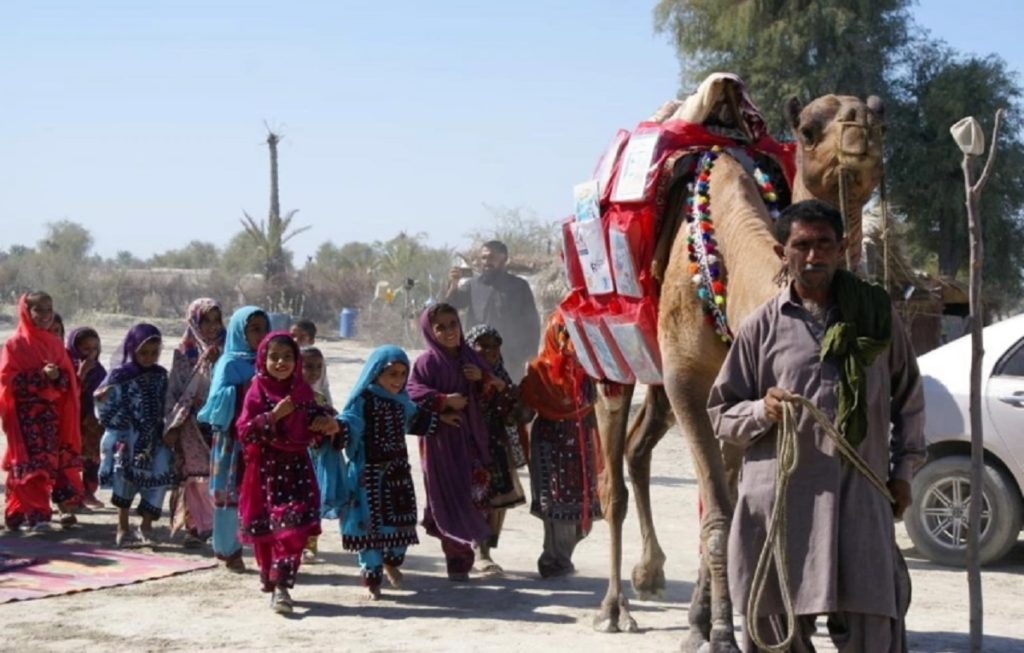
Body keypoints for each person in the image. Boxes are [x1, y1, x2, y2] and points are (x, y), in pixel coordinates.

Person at [706, 199, 925, 653]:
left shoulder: (876, 318)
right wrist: (761, 410)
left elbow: (910, 404)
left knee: (873, 630)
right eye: (801, 245)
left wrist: (904, 473)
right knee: (773, 633)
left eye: (824, 244)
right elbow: (721, 413)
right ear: (781, 252)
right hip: (781, 506)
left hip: (860, 497)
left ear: (841, 248)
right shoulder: (760, 328)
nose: (813, 256)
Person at [236, 331, 338, 613]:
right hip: (265, 472)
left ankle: (281, 585)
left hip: (297, 470)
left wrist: (326, 423)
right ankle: (270, 577)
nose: (281, 362)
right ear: (263, 359)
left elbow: (316, 421)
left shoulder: (302, 392)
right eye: (274, 357)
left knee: (293, 529)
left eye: (287, 357)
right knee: (269, 532)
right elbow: (244, 431)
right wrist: (274, 416)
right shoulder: (256, 390)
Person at [338, 345, 451, 599]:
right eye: (392, 374)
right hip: (368, 477)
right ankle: (372, 578)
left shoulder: (402, 402)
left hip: (398, 475)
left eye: (402, 374)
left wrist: (442, 421)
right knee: (369, 530)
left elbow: (417, 420)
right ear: (376, 372)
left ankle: (391, 562)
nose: (398, 380)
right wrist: (337, 430)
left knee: (401, 526)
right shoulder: (363, 401)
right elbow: (349, 423)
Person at [406, 303, 500, 581]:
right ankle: (457, 561)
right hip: (440, 443)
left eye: (453, 324)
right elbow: (411, 394)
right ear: (429, 331)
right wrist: (443, 402)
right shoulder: (426, 363)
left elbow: (492, 395)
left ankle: (471, 555)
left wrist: (481, 379)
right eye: (440, 327)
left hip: (471, 440)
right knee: (447, 494)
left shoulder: (471, 358)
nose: (449, 331)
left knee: (474, 496)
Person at [520, 312, 602, 578]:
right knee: (555, 507)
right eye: (563, 333)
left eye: (574, 333)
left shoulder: (590, 370)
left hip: (581, 443)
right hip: (550, 446)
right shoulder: (538, 371)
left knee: (582, 515)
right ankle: (554, 559)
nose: (569, 341)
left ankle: (558, 557)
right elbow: (524, 411)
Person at [0, 292, 83, 531]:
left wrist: (57, 377)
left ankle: (17, 510)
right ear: (27, 312)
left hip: (51, 417)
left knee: (46, 462)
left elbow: (67, 382)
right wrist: (39, 376)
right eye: (39, 310)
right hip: (24, 417)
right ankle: (39, 514)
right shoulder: (14, 345)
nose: (46, 315)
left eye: (49, 309)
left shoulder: (54, 344)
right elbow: (7, 382)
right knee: (32, 463)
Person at [197, 306, 269, 571]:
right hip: (231, 440)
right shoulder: (228, 363)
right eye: (255, 329)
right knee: (228, 496)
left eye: (265, 328)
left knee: (262, 494)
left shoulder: (271, 360)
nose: (262, 335)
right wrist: (247, 388)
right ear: (240, 332)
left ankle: (265, 551)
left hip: (261, 439)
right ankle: (229, 550)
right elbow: (215, 405)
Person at [96, 323, 174, 546]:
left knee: (158, 478)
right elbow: (104, 406)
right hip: (127, 439)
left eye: (154, 353)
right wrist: (105, 402)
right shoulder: (119, 376)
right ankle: (122, 526)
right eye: (143, 353)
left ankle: (146, 526)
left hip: (155, 438)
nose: (149, 357)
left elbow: (167, 402)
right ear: (132, 349)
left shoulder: (161, 375)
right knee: (125, 479)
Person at [465, 324, 528, 575]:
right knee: (476, 496)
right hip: (469, 445)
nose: (489, 351)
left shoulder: (500, 374)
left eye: (494, 346)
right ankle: (476, 551)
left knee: (496, 500)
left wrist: (502, 389)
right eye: (483, 345)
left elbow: (516, 409)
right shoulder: (463, 373)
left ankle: (486, 550)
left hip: (496, 445)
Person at [164, 298, 224, 547]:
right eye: (205, 321)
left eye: (216, 320)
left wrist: (217, 361)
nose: (212, 326)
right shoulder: (183, 351)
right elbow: (175, 388)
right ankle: (195, 526)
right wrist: (172, 424)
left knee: (216, 475)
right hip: (189, 422)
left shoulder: (228, 349)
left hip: (219, 422)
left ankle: (217, 526)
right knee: (194, 477)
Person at [444, 240, 541, 383]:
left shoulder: (519, 286)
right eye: (483, 258)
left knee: (509, 391)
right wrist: (453, 284)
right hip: (477, 355)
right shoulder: (473, 285)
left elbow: (531, 321)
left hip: (510, 356)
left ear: (504, 259)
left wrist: (531, 352)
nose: (486, 262)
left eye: (491, 257)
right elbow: (451, 305)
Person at [301, 346, 342, 563]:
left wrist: (329, 425)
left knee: (314, 500)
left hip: (317, 458)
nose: (314, 372)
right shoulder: (289, 396)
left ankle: (310, 544)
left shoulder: (320, 397)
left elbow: (334, 421)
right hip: (296, 456)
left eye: (319, 367)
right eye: (308, 366)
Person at [66, 326, 107, 509]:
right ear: (74, 349)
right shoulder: (67, 367)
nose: (91, 353)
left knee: (92, 458)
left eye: (95, 348)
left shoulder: (99, 371)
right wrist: (80, 375)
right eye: (85, 349)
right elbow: (67, 392)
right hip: (73, 418)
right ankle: (71, 494)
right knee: (73, 457)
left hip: (93, 422)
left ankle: (89, 492)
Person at [291, 318, 331, 405]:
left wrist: (329, 407)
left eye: (302, 337)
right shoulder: (287, 361)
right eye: (292, 336)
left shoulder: (317, 359)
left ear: (311, 340)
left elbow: (324, 386)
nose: (295, 340)